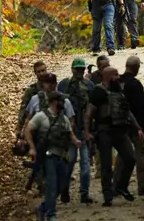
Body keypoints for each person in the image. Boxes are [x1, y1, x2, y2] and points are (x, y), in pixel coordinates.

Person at [84, 66, 144, 207]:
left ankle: (121, 186)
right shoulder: (98, 92)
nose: (119, 77)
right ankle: (107, 195)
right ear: (109, 77)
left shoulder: (118, 91)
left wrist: (137, 128)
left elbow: (127, 112)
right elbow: (89, 113)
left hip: (120, 132)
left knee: (130, 158)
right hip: (104, 132)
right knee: (106, 165)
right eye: (116, 75)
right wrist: (87, 132)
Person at [24, 91, 81, 221]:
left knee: (62, 184)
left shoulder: (63, 118)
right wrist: (32, 148)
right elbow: (28, 130)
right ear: (54, 101)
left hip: (62, 156)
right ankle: (51, 214)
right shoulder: (41, 116)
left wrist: (76, 141)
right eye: (60, 101)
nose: (62, 104)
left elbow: (70, 133)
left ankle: (43, 207)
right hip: (48, 156)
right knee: (52, 184)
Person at [114, 56, 144, 195]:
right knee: (140, 155)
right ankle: (143, 186)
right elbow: (143, 104)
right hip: (138, 125)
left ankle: (116, 186)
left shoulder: (117, 82)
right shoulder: (135, 84)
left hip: (121, 124)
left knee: (122, 155)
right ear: (136, 67)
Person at [57, 58, 94, 204]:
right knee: (69, 163)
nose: (79, 71)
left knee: (85, 165)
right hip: (69, 131)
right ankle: (64, 190)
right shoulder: (64, 85)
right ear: (72, 69)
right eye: (77, 69)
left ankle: (84, 194)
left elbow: (93, 108)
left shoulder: (89, 85)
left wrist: (91, 130)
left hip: (84, 130)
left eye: (81, 69)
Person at [16, 61, 48, 138]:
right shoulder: (31, 91)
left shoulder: (53, 87)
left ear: (46, 70)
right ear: (35, 73)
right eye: (38, 71)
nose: (41, 73)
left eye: (43, 70)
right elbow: (23, 110)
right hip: (35, 127)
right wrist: (19, 129)